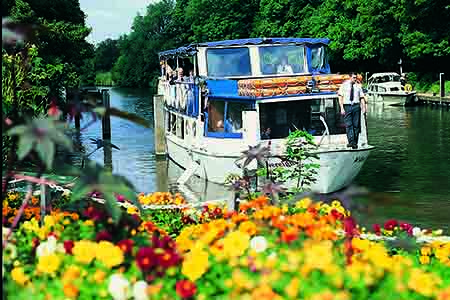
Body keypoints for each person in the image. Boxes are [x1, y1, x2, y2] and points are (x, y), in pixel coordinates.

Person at [338, 72, 366, 149]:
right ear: (350, 77)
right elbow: (340, 97)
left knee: (356, 125)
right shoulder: (344, 85)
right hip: (347, 106)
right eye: (354, 77)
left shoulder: (358, 86)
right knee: (349, 125)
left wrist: (363, 107)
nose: (355, 79)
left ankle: (355, 142)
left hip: (356, 106)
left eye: (355, 77)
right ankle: (351, 142)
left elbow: (361, 97)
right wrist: (341, 108)